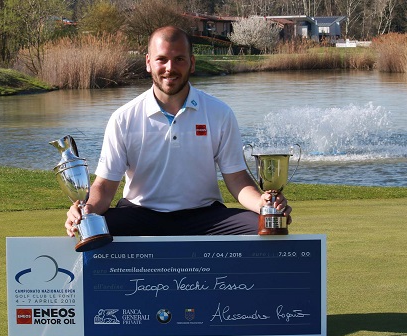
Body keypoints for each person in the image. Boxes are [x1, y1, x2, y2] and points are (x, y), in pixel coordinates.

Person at [65, 25, 291, 237]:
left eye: (179, 59)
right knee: (92, 228)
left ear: (191, 63)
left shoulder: (219, 113)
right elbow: (104, 186)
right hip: (139, 214)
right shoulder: (123, 118)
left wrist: (264, 205)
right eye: (161, 59)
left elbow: (237, 179)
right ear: (148, 62)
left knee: (263, 227)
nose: (170, 68)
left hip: (205, 216)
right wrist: (85, 210)